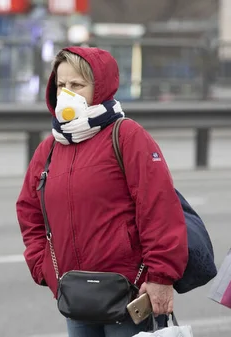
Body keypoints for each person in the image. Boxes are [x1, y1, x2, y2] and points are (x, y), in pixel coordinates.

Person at [16, 47, 188, 337]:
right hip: (76, 297)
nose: (66, 93)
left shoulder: (127, 136)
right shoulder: (50, 148)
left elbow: (159, 210)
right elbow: (30, 211)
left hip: (128, 295)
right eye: (61, 85)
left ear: (100, 89)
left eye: (77, 85)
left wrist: (160, 277)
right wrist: (43, 266)